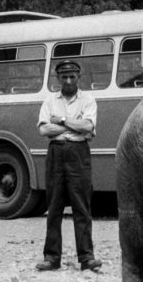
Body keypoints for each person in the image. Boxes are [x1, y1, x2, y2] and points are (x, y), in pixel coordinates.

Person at [35, 60, 102, 272]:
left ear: (78, 77)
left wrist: (62, 120)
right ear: (58, 78)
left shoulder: (88, 100)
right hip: (56, 154)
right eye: (64, 77)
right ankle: (52, 258)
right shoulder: (49, 100)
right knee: (53, 207)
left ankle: (86, 258)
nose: (69, 80)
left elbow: (88, 127)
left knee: (81, 207)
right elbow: (44, 130)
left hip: (78, 155)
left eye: (72, 76)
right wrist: (74, 124)